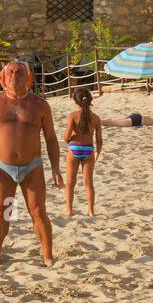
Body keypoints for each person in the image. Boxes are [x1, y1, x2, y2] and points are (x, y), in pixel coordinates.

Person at [0, 60, 62, 267]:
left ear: (29, 78)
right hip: (2, 168)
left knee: (38, 211)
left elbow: (50, 137)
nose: (15, 75)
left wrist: (56, 168)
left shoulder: (39, 105)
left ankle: (47, 255)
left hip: (32, 166)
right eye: (11, 72)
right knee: (4, 212)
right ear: (2, 78)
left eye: (20, 72)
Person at [63, 87, 103, 218]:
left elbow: (66, 136)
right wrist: (97, 153)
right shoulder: (96, 118)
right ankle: (91, 211)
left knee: (70, 182)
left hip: (74, 149)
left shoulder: (73, 116)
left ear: (76, 101)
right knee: (88, 183)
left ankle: (69, 210)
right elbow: (99, 140)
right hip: (88, 150)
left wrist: (67, 140)